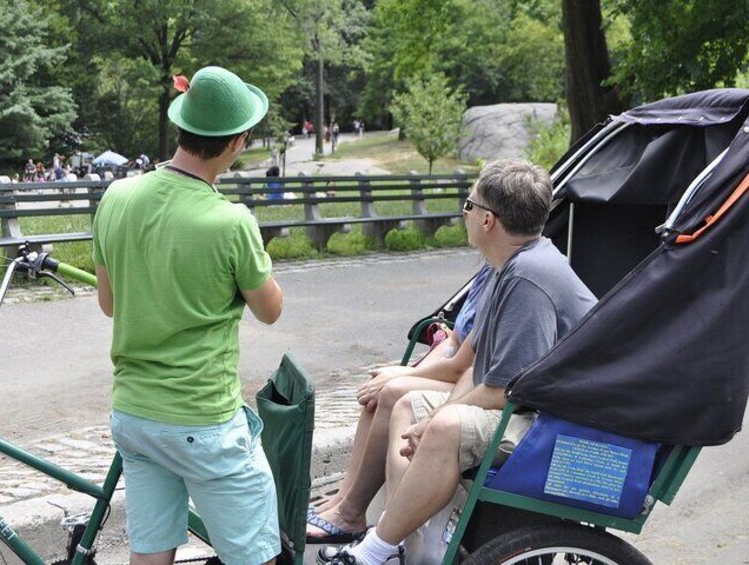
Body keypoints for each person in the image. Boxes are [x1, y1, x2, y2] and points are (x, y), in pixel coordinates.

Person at [320, 159, 597, 565]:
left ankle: (372, 552)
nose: (464, 213)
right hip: (536, 412)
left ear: (488, 220)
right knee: (409, 405)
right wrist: (428, 417)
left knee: (446, 425)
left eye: (469, 205)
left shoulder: (527, 278)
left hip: (556, 427)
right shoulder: (513, 266)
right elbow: (476, 368)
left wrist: (437, 422)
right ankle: (408, 545)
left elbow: (505, 391)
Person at [92, 66, 283, 565]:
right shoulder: (230, 220)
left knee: (151, 552)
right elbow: (270, 310)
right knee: (255, 555)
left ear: (183, 126)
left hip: (134, 415)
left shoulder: (116, 197)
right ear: (236, 141)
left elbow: (109, 303)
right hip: (203, 420)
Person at [307, 264, 492, 544]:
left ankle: (355, 515)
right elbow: (454, 339)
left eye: (468, 215)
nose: (465, 218)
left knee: (393, 391)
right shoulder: (489, 270)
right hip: (460, 372)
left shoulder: (508, 275)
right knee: (378, 391)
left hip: (474, 381)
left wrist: (406, 374)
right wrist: (407, 372)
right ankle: (346, 499)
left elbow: (463, 367)